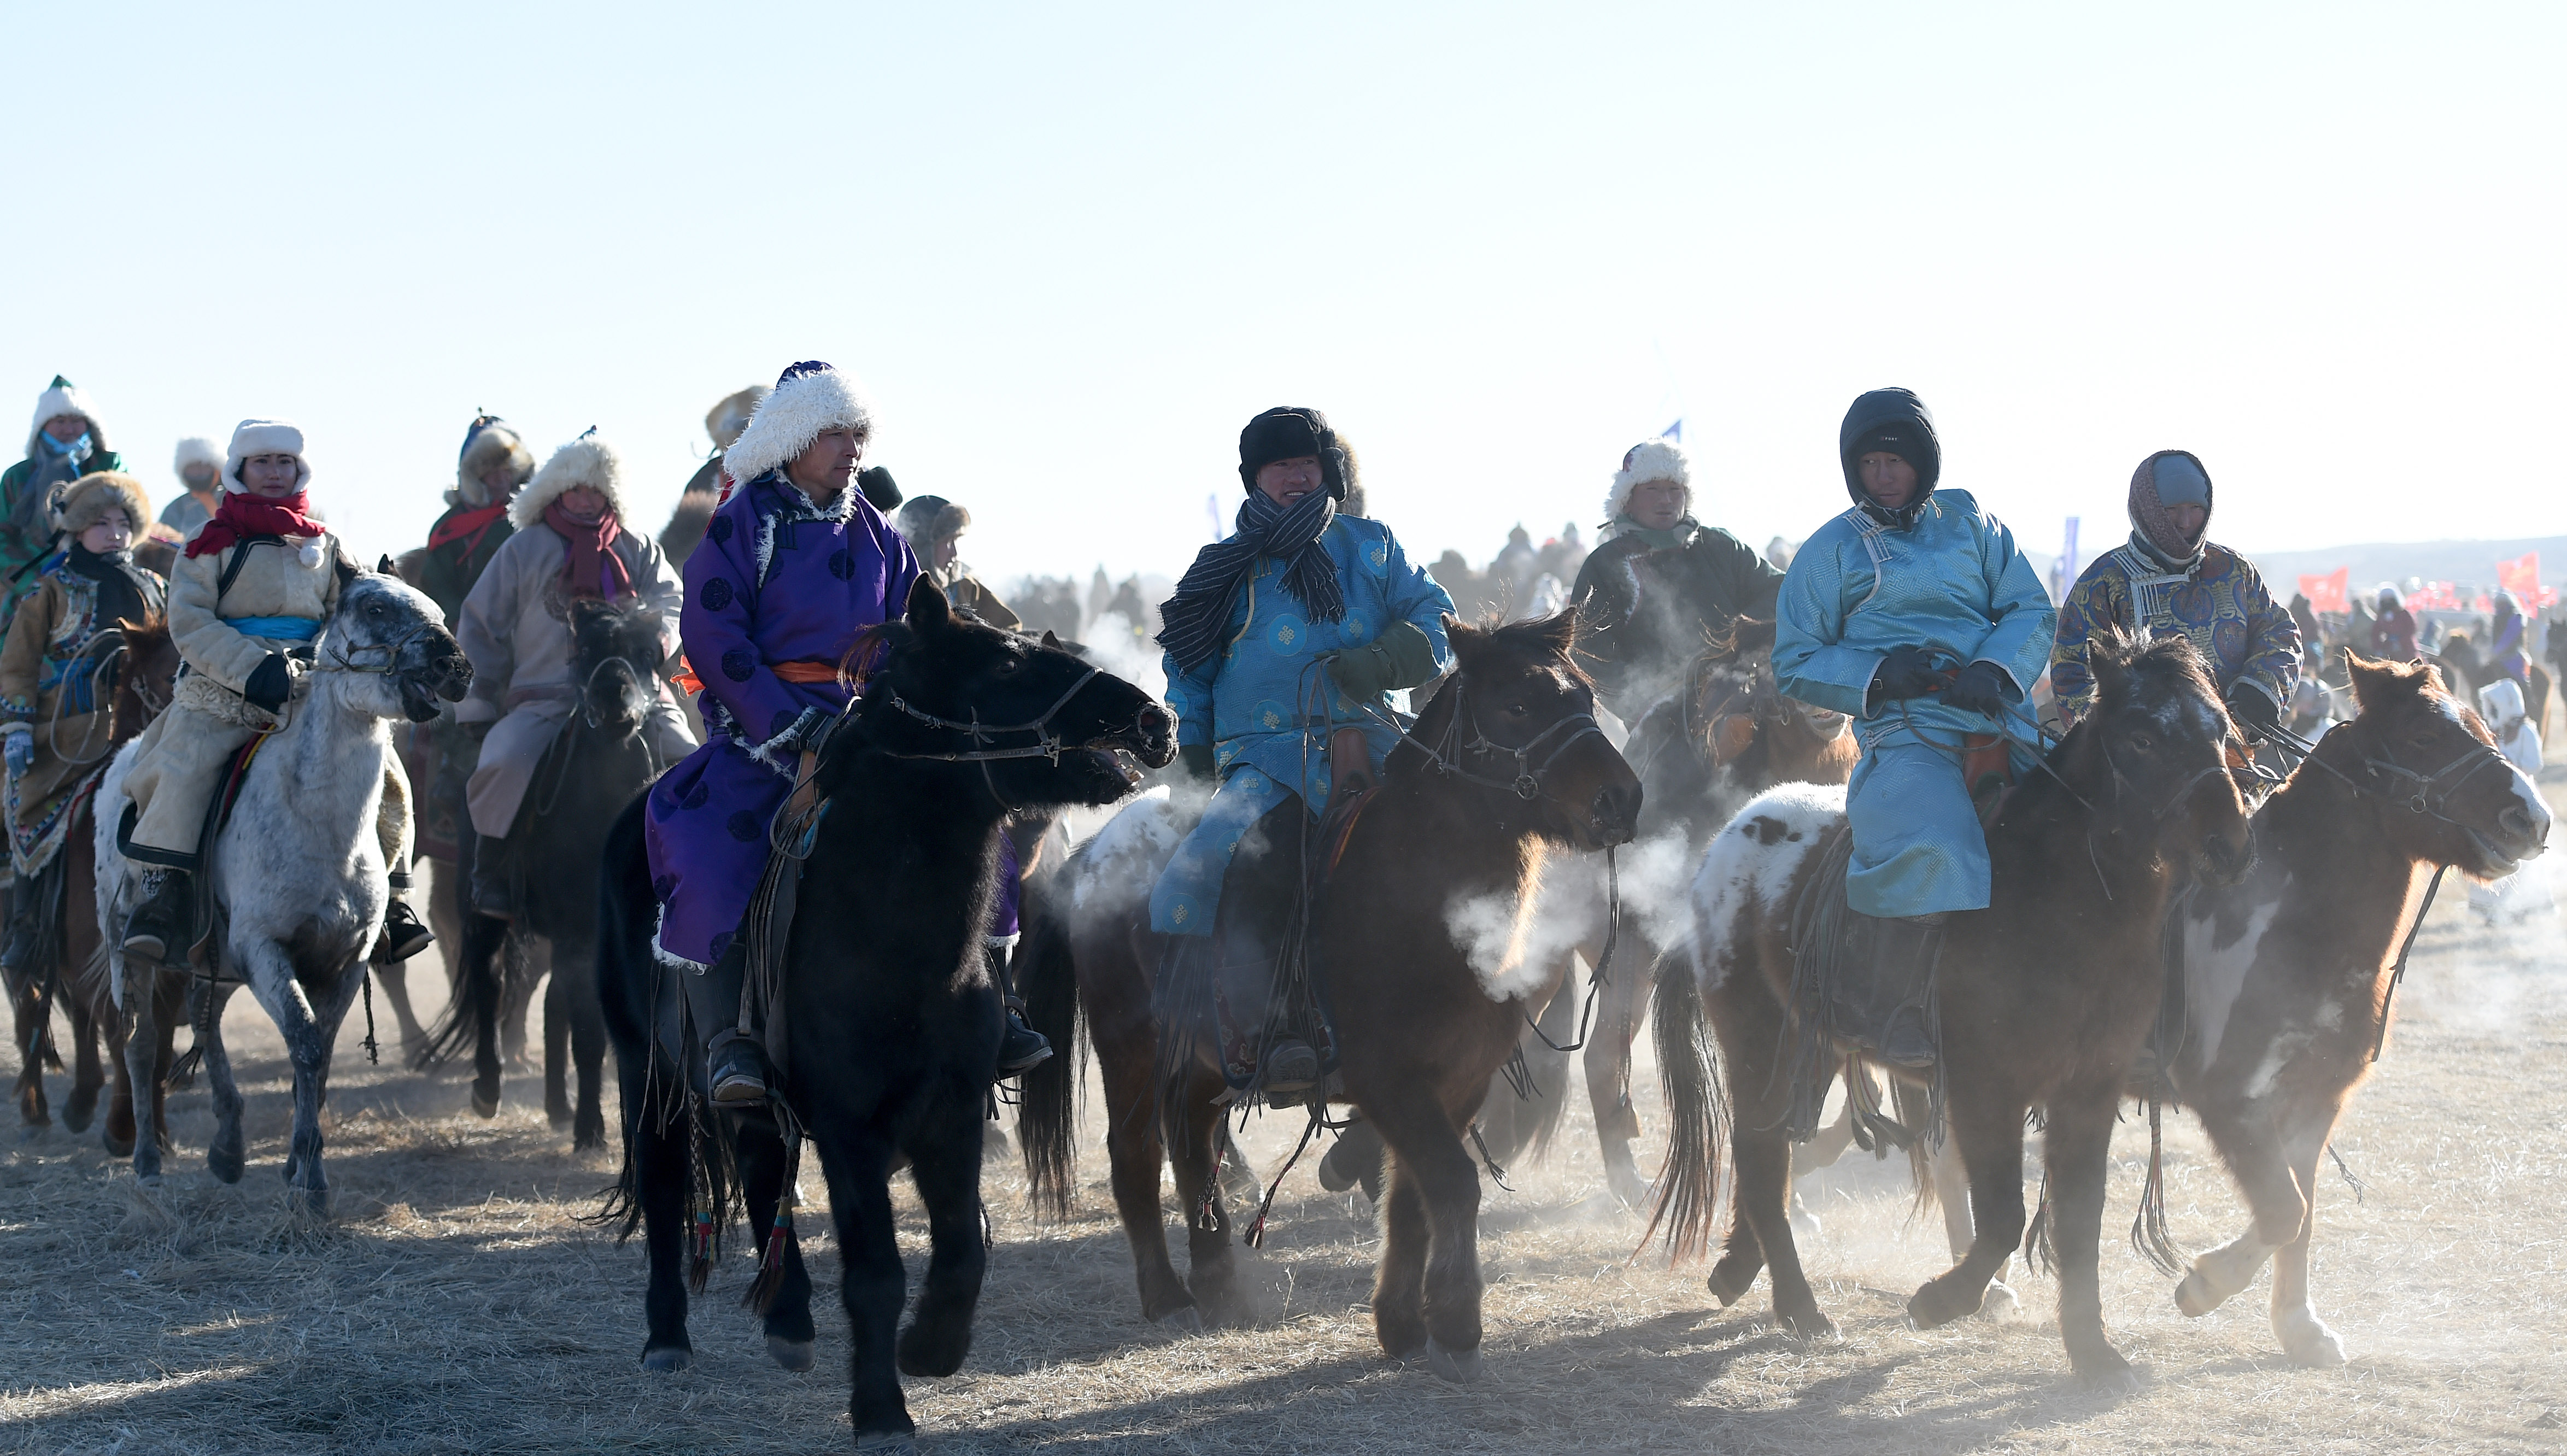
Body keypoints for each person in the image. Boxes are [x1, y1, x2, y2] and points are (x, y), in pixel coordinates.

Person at [644, 361, 1045, 1105]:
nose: (851, 447)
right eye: (834, 432)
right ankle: (730, 1040)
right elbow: (714, 635)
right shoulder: (743, 522)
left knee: (976, 837)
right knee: (709, 848)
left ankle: (993, 1006)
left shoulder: (878, 534)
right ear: (793, 435)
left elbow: (913, 631)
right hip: (769, 734)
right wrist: (791, 730)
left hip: (872, 730)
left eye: (858, 433)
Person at [1151, 406, 1454, 1093]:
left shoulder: (1370, 545)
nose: (1295, 476)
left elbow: (1437, 615)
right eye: (1279, 466)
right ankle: (1280, 1024)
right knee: (1262, 860)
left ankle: (1473, 1007)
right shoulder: (1222, 569)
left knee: (1458, 836)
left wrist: (1381, 660)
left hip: (1374, 736)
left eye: (1306, 464)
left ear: (1328, 473)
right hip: (1264, 755)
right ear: (1255, 479)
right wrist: (1193, 766)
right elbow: (1187, 674)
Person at [1773, 388, 2055, 1066]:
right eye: (1869, 463)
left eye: (1895, 460)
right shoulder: (1831, 550)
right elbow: (1795, 657)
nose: (1883, 474)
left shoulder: (1974, 523)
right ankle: (1904, 1005)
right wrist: (1876, 674)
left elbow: (2029, 608)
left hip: (1997, 715)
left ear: (1922, 462)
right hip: (1905, 729)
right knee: (1936, 840)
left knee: (2091, 808)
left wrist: (1994, 667)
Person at [113, 421, 434, 965]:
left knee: (388, 771)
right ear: (239, 470)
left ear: (299, 470)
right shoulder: (209, 543)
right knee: (183, 762)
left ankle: (394, 899)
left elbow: (349, 613)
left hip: (318, 688)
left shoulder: (329, 544)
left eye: (284, 462)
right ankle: (163, 897)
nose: (274, 471)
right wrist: (253, 668)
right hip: (226, 685)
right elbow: (189, 622)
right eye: (262, 462)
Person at [455, 432, 693, 918]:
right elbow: (481, 624)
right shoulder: (524, 549)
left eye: (595, 490)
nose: (585, 500)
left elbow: (673, 599)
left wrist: (658, 638)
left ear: (612, 493)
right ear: (554, 492)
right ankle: (493, 871)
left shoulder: (638, 547)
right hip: (546, 698)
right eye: (575, 490)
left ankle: (696, 870)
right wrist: (478, 702)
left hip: (635, 696)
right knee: (502, 762)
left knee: (689, 758)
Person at [0, 473, 165, 970]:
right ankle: (27, 929)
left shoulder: (155, 586)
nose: (113, 531)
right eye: (99, 522)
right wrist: (18, 728)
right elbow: (18, 663)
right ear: (75, 529)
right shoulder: (50, 589)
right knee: (26, 815)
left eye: (122, 522)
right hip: (68, 732)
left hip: (150, 728)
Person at [2048, 451, 2300, 737]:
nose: (2185, 521)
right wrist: (2117, 741)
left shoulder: (2234, 570)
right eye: (2171, 509)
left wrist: (2262, 690)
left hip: (2240, 747)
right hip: (2144, 766)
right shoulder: (2105, 581)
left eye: (2196, 507)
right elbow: (2072, 669)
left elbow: (2280, 633)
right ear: (2148, 508)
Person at [1570, 438, 1784, 714]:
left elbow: (1780, 590)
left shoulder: (1719, 545)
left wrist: (1741, 634)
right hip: (1661, 718)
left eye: (1675, 489)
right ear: (1628, 499)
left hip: (1745, 691)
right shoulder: (1605, 565)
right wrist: (1643, 698)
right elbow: (1588, 652)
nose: (1666, 500)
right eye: (1652, 489)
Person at [2, 378, 125, 629]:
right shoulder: (19, 477)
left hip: (101, 581)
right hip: (32, 587)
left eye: (76, 421)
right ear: (42, 426)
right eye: (60, 421)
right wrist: (32, 581)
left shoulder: (109, 468)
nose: (69, 429)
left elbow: (129, 521)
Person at [417, 415, 536, 627]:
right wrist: (460, 622)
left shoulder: (531, 519)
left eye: (507, 471)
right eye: (493, 473)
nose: (501, 480)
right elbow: (437, 584)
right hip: (468, 629)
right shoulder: (451, 527)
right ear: (476, 478)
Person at [894, 495, 1021, 629]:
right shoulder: (896, 588)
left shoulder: (966, 587)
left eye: (956, 540)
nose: (954, 553)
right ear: (924, 546)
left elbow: (1010, 630)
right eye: (947, 541)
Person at [161, 438, 225, 537]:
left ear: (216, 469)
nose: (198, 472)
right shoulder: (176, 507)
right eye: (192, 468)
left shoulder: (230, 497)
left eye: (203, 467)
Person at [2488, 589, 2530, 690]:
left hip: (2513, 657)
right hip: (2497, 657)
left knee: (2521, 681)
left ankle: (2529, 700)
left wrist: (2496, 651)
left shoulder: (2516, 617)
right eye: (2498, 604)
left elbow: (2509, 637)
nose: (2500, 606)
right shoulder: (2497, 618)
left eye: (2502, 604)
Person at [2369, 584, 2419, 661]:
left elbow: (2411, 628)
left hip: (2406, 647)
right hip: (2389, 647)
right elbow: (2375, 633)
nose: (2387, 602)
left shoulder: (2404, 614)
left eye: (2390, 599)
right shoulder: (2381, 616)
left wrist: (2401, 641)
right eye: (2385, 600)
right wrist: (2378, 648)